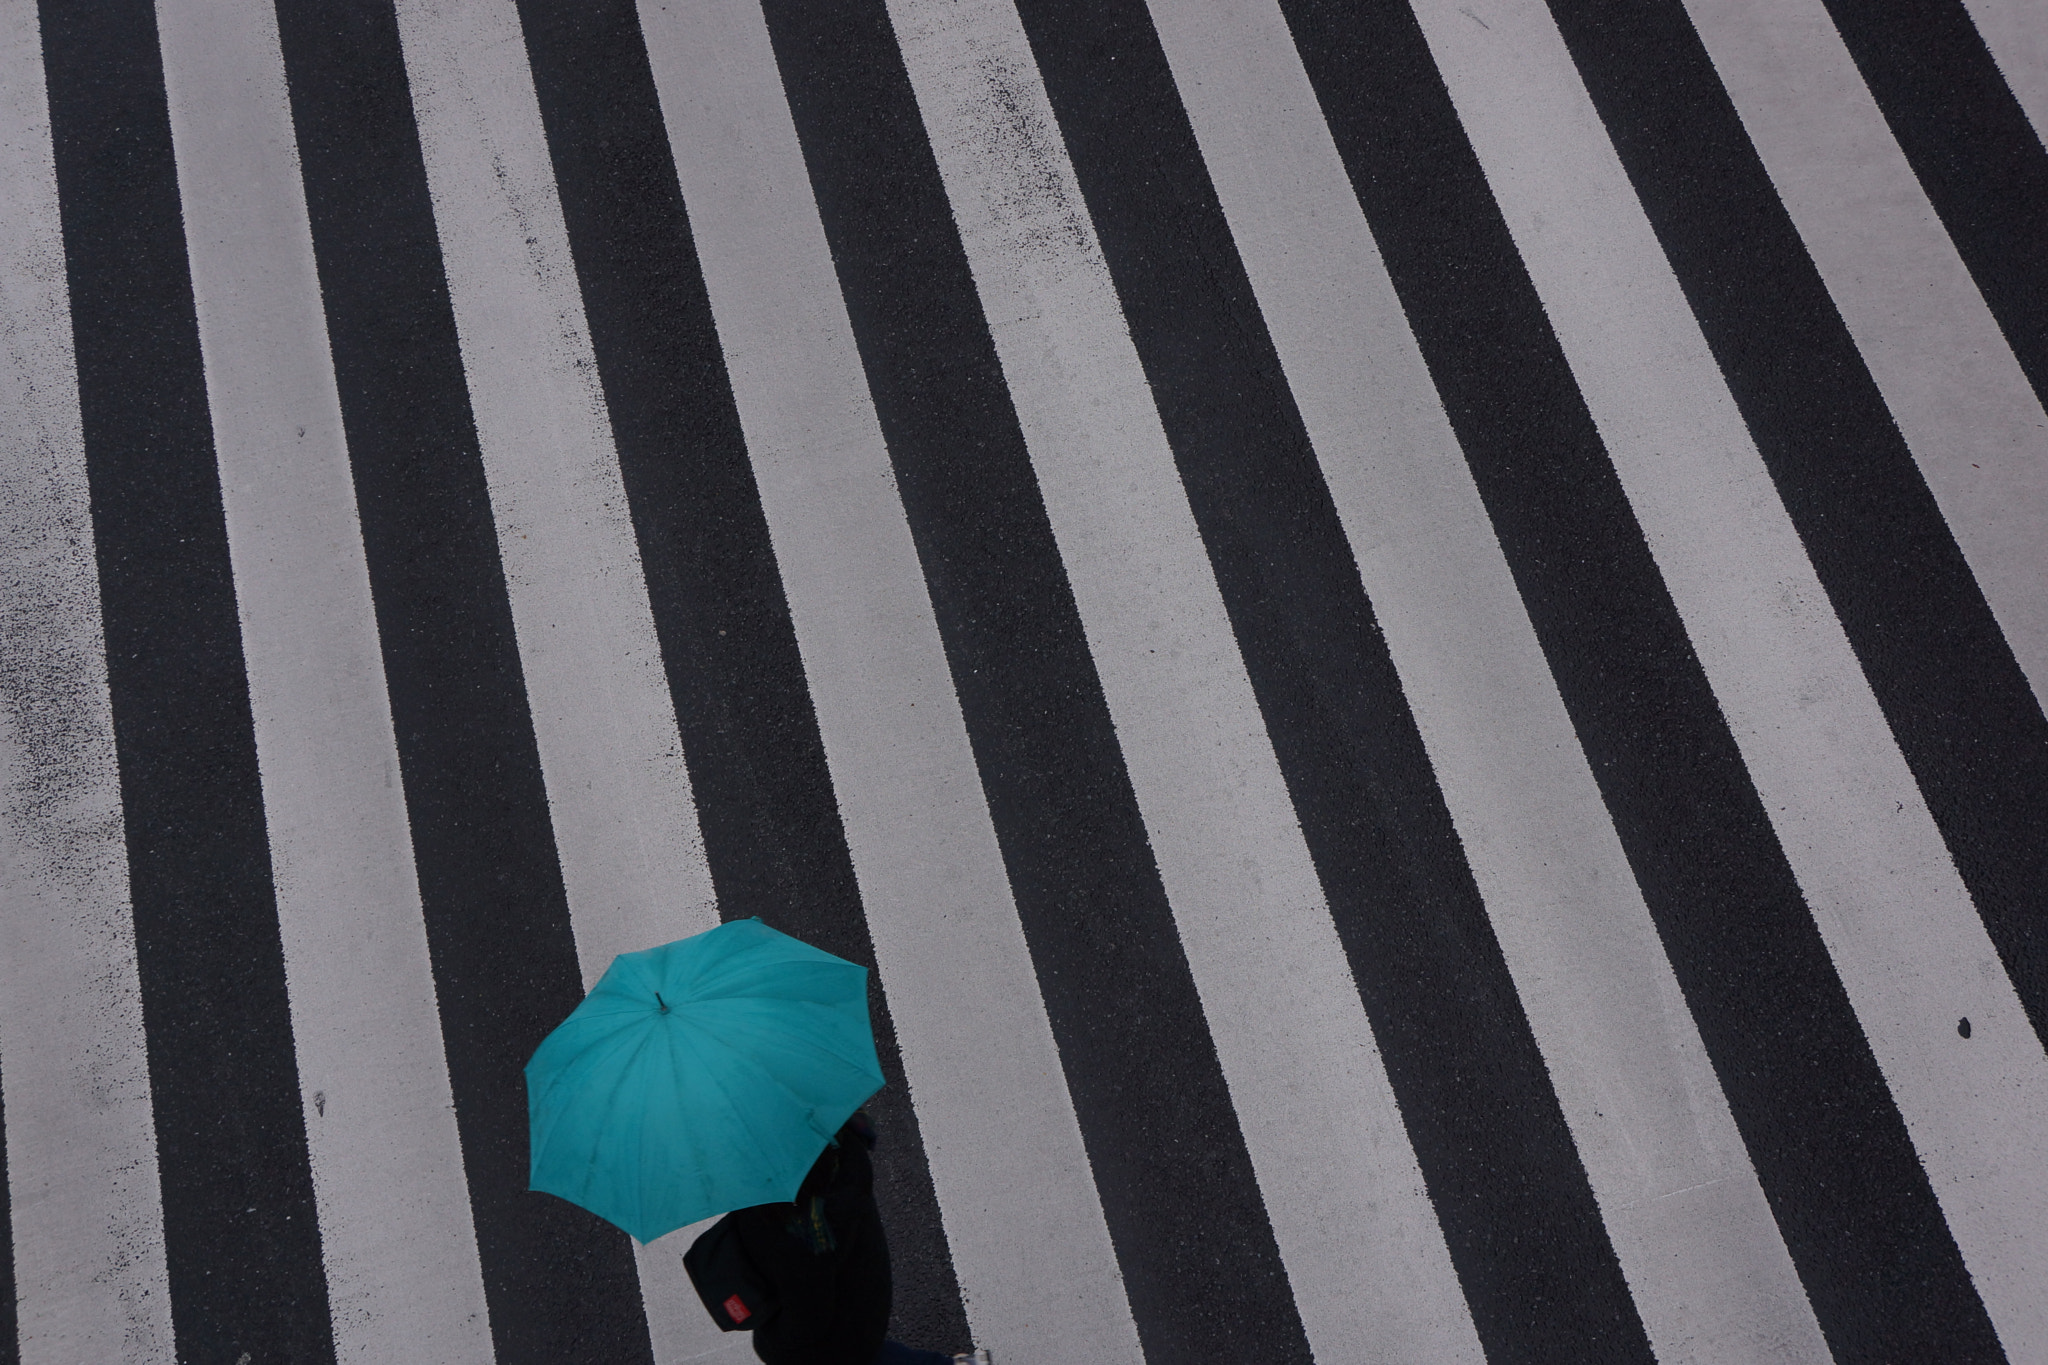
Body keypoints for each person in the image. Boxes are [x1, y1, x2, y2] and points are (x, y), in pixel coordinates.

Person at [730, 1112, 978, 1365]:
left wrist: (774, 1345)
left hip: (832, 1336)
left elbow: (808, 1316)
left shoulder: (795, 1225)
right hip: (861, 1301)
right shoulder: (842, 1149)